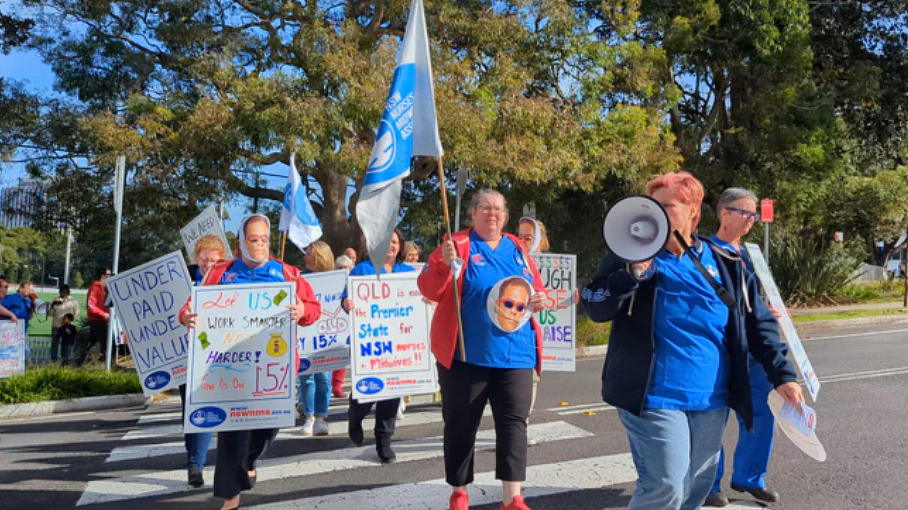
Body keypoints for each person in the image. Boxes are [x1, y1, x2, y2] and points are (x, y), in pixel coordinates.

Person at [580, 171, 804, 510]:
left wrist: (782, 374)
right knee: (665, 485)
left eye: (667, 206)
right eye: (652, 205)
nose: (655, 212)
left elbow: (757, 322)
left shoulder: (727, 262)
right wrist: (630, 275)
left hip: (710, 397)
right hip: (652, 396)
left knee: (698, 484)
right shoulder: (629, 256)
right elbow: (594, 305)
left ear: (693, 212)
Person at [180, 214, 321, 510]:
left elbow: (314, 310)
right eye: (253, 239)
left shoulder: (289, 274)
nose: (259, 245)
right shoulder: (221, 273)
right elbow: (191, 306)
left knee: (269, 428)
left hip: (274, 371)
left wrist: (302, 310)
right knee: (232, 435)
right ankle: (230, 499)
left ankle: (250, 460)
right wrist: (186, 316)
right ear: (242, 242)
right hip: (228, 369)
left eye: (264, 239)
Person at [418, 190, 547, 510]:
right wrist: (443, 266)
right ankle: (460, 490)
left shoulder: (518, 248)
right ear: (473, 213)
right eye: (486, 209)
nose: (493, 214)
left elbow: (538, 291)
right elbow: (428, 289)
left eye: (499, 210)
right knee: (461, 424)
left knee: (514, 423)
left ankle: (512, 498)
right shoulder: (456, 246)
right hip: (465, 357)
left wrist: (542, 300)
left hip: (516, 354)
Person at [706, 188, 781, 507]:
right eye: (745, 213)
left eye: (754, 214)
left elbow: (753, 300)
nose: (752, 220)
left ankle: (749, 477)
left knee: (763, 413)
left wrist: (769, 311)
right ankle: (709, 484)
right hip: (725, 350)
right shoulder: (705, 252)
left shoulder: (751, 254)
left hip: (756, 352)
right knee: (714, 418)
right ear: (724, 213)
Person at [340, 230, 415, 464]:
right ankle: (356, 414)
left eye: (394, 242)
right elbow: (345, 299)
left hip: (398, 344)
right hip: (369, 341)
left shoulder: (408, 273)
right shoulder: (363, 269)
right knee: (369, 391)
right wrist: (347, 302)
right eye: (385, 242)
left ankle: (384, 440)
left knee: (392, 393)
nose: (390, 246)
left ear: (400, 246)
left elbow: (418, 299)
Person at [178, 234, 228, 488]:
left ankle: (196, 464)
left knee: (203, 408)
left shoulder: (230, 280)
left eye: (213, 261)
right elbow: (183, 310)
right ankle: (193, 458)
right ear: (196, 259)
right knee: (189, 411)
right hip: (187, 357)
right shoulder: (186, 280)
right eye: (204, 260)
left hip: (217, 360)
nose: (208, 265)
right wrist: (184, 317)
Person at [298, 240, 335, 437]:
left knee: (323, 378)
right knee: (306, 379)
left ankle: (321, 418)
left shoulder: (335, 279)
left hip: (326, 337)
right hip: (304, 336)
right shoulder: (299, 279)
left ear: (319, 256)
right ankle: (309, 416)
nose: (305, 257)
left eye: (309, 253)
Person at [74, 269, 112, 367]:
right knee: (105, 344)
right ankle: (106, 364)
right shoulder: (95, 288)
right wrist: (103, 314)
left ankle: (78, 362)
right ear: (103, 276)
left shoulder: (105, 289)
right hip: (97, 321)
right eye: (109, 275)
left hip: (101, 321)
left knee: (89, 344)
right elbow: (90, 305)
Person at [331, 254, 355, 399]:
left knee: (345, 355)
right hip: (332, 324)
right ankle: (329, 385)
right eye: (340, 268)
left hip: (349, 324)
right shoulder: (330, 283)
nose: (344, 270)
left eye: (346, 267)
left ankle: (337, 385)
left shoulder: (354, 283)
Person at [49, 285, 81, 362]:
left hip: (68, 326)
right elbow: (49, 314)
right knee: (55, 344)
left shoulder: (73, 301)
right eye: (61, 291)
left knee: (67, 344)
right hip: (57, 325)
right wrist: (52, 305)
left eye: (64, 291)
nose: (62, 293)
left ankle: (66, 360)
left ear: (68, 292)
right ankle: (54, 360)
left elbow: (77, 312)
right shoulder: (55, 300)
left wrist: (70, 319)